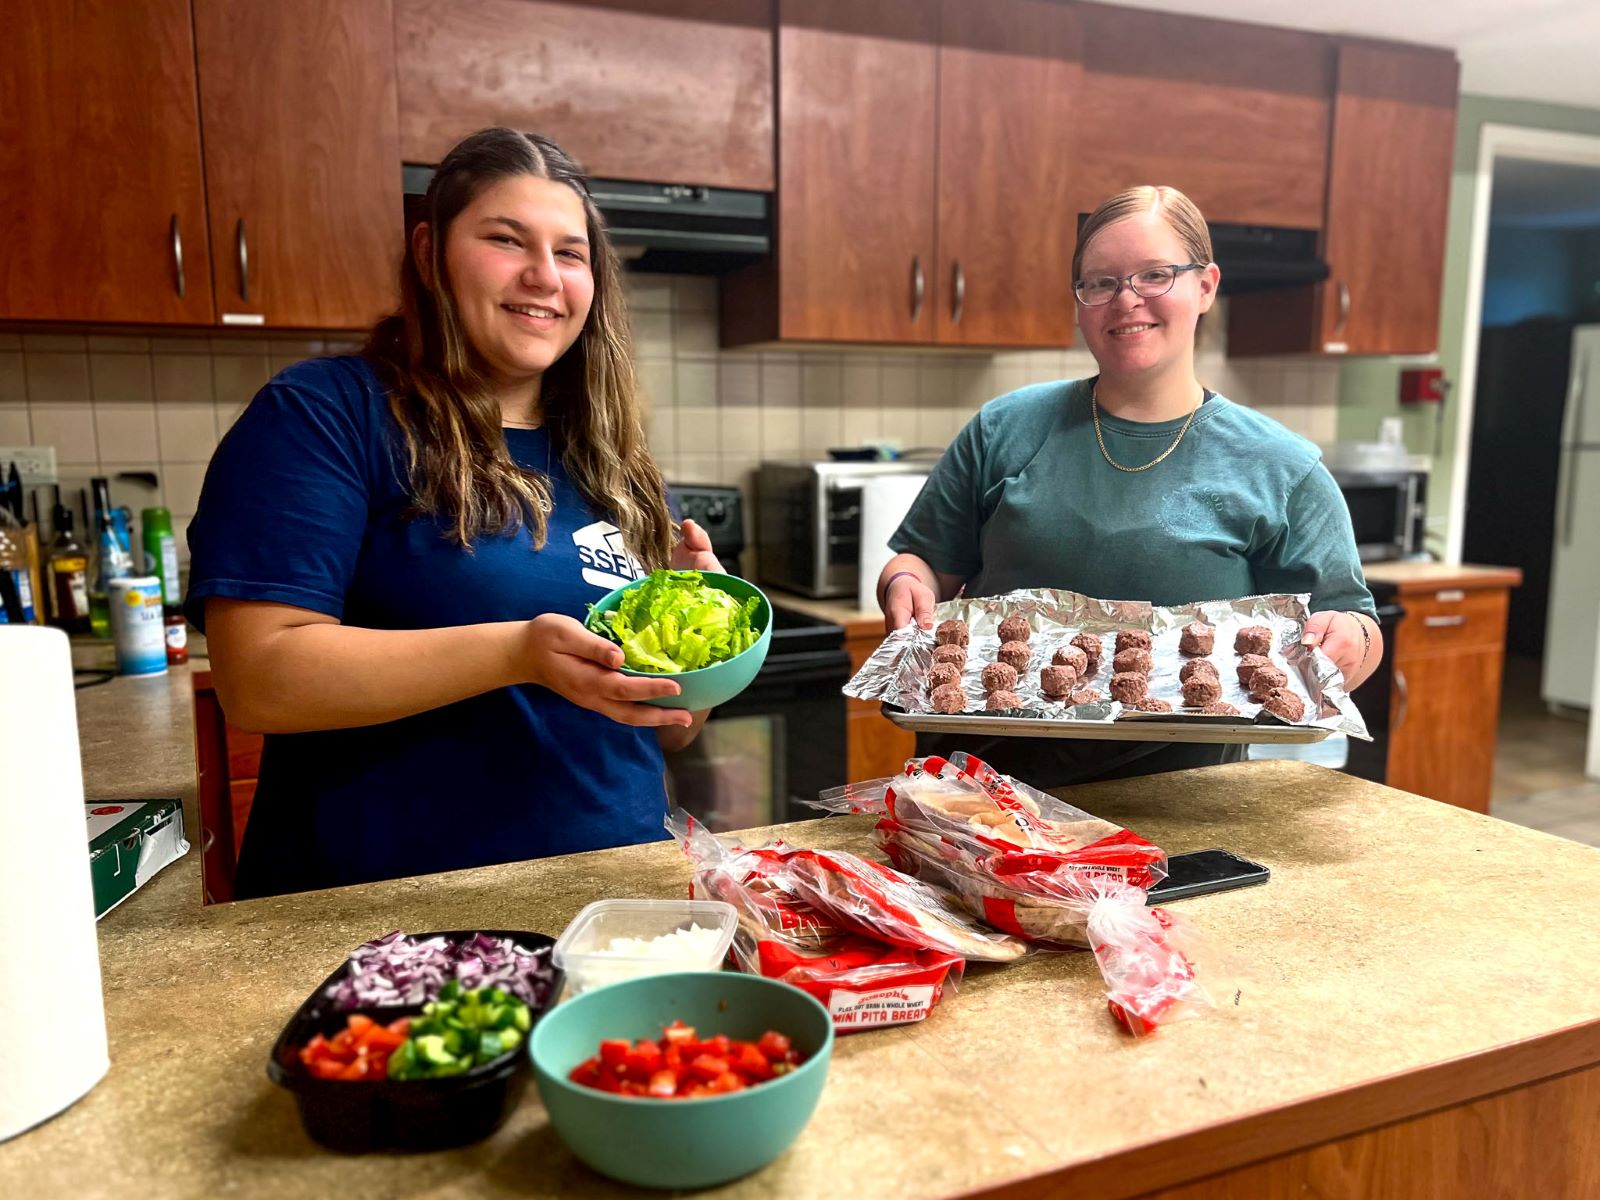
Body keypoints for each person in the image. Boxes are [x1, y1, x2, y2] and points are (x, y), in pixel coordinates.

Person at [186, 128, 719, 897]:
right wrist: (516, 653)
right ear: (430, 251)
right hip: (387, 916)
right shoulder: (325, 415)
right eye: (507, 240)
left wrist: (699, 643)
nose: (544, 276)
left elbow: (670, 729)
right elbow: (259, 679)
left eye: (570, 254)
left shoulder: (612, 458)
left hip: (614, 900)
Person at [876, 184, 1383, 787]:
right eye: (1100, 282)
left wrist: (1351, 642)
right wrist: (905, 582)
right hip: (985, 800)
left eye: (1155, 275)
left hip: (1183, 804)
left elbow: (1355, 624)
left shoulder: (1281, 466)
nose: (1126, 300)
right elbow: (922, 563)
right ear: (1079, 301)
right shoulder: (1004, 428)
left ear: (1206, 286)